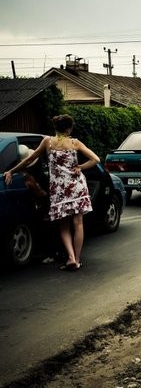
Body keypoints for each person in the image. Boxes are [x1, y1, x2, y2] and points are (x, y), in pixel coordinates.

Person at [3, 114, 100, 271]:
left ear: (55, 128)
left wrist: (11, 171)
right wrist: (80, 167)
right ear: (69, 128)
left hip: (59, 189)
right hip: (77, 187)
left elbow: (29, 159)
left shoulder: (47, 142)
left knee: (64, 225)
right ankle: (78, 258)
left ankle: (71, 258)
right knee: (78, 222)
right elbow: (96, 159)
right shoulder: (75, 143)